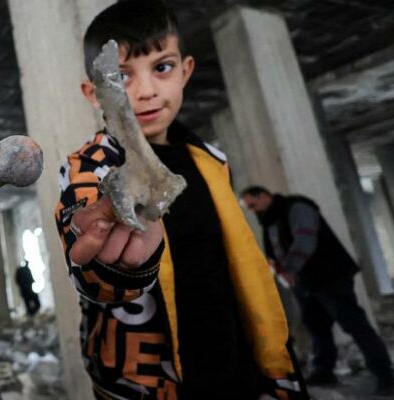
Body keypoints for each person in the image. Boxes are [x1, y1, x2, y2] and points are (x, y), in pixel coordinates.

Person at [54, 1, 306, 398]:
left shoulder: (211, 159)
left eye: (162, 67)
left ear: (186, 71)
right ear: (94, 93)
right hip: (152, 379)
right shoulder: (91, 168)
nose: (147, 90)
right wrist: (109, 262)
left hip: (234, 358)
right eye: (121, 77)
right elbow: (94, 271)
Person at [240, 186, 394, 396]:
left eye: (252, 205)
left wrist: (288, 269)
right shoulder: (271, 220)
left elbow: (306, 240)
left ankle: (385, 375)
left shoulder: (296, 207)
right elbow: (276, 252)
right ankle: (324, 370)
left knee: (354, 324)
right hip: (305, 282)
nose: (252, 210)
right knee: (317, 327)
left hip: (329, 277)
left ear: (264, 196)